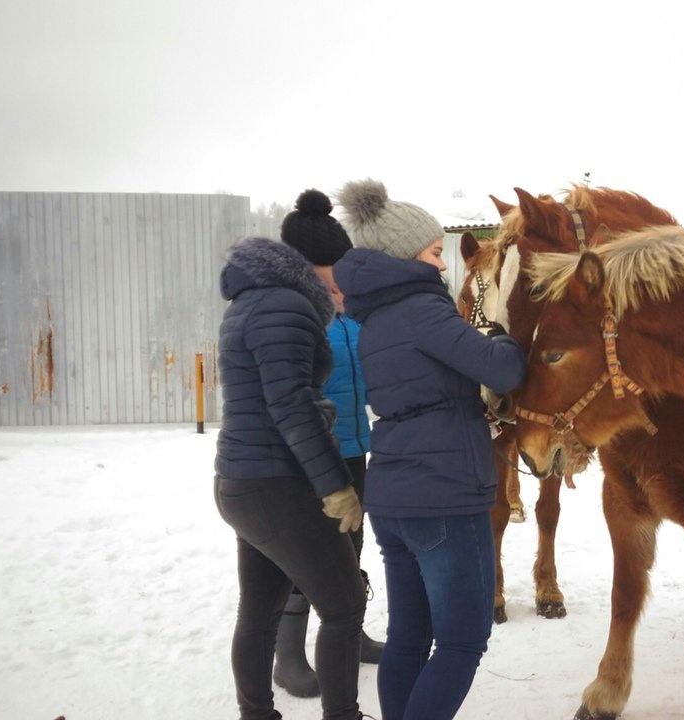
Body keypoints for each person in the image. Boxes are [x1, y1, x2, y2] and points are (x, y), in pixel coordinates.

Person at [333, 178, 525, 720]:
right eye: (436, 252)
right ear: (406, 253)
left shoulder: (371, 319)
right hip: (446, 497)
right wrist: (504, 332)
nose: (443, 266)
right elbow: (502, 367)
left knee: (410, 639)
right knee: (463, 642)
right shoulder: (423, 309)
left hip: (393, 497)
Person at [214, 196, 368, 720]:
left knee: (258, 611)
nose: (341, 280)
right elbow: (292, 406)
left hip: (242, 479)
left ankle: (257, 714)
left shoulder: (250, 301)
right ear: (313, 263)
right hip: (279, 484)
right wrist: (335, 486)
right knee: (345, 607)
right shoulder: (288, 306)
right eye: (337, 268)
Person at [270, 191, 386, 700]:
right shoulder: (292, 317)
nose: (337, 284)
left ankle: (350, 631)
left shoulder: (349, 316)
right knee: (304, 557)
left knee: (349, 547)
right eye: (327, 274)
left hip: (353, 448)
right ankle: (288, 655)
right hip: (304, 458)